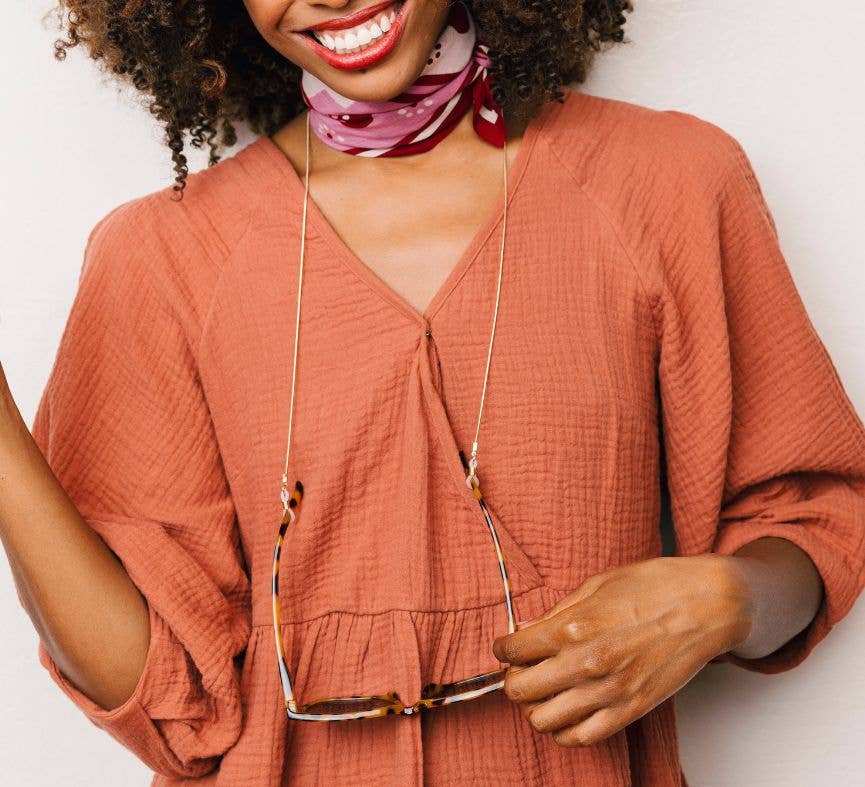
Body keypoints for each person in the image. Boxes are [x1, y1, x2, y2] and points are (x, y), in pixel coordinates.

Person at [2, 0, 864, 784]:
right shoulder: (161, 255)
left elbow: (813, 519)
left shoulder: (665, 181)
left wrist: (726, 598)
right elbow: (168, 706)